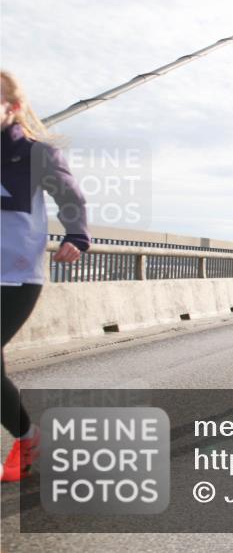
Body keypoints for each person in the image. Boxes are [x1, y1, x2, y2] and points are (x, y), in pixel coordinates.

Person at [1, 70, 90, 482]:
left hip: (16, 277)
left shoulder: (37, 153)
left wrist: (76, 235)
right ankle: (28, 438)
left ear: (13, 107)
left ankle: (29, 438)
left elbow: (69, 195)